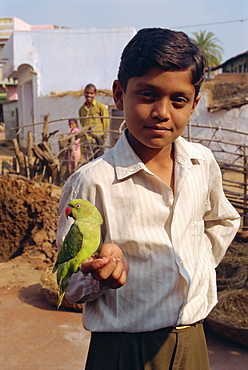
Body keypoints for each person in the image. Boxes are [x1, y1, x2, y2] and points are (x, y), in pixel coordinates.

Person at [56, 28, 240, 370]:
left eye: (179, 100)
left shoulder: (202, 164)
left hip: (191, 341)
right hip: (122, 350)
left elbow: (223, 220)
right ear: (119, 94)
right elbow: (68, 285)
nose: (162, 112)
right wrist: (98, 275)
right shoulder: (91, 183)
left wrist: (195, 264)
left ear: (195, 104)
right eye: (147, 94)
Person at [78, 83, 110, 160]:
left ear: (95, 94)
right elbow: (82, 123)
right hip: (86, 140)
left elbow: (106, 123)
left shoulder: (100, 107)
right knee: (86, 163)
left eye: (91, 93)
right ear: (84, 93)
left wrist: (102, 137)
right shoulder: (81, 109)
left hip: (97, 140)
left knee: (98, 162)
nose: (89, 95)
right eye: (87, 92)